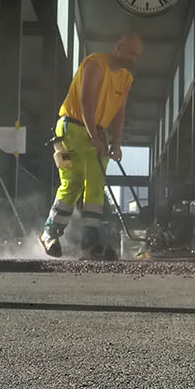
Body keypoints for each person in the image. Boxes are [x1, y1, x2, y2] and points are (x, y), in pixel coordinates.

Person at [40, 33, 143, 260]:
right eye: (130, 52)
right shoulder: (96, 64)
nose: (132, 58)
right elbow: (86, 102)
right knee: (74, 181)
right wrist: (94, 136)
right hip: (73, 128)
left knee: (96, 187)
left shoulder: (125, 78)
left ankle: (89, 245)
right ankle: (50, 234)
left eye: (136, 55)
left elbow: (119, 112)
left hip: (99, 133)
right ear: (118, 46)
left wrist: (116, 142)